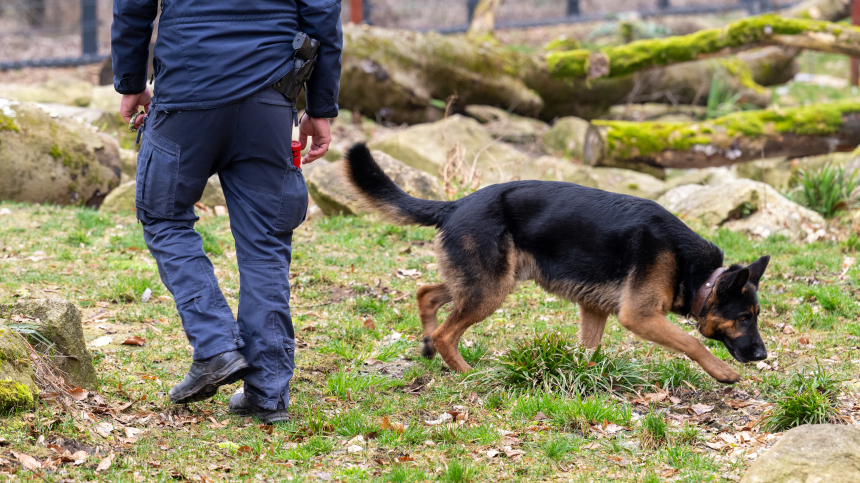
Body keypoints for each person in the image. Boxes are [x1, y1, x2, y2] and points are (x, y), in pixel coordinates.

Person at [111, 0, 342, 423]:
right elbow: (322, 12)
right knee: (266, 241)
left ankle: (215, 345)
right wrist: (322, 106)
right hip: (270, 96)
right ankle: (268, 391)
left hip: (188, 89)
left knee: (164, 216)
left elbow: (133, 5)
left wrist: (130, 81)